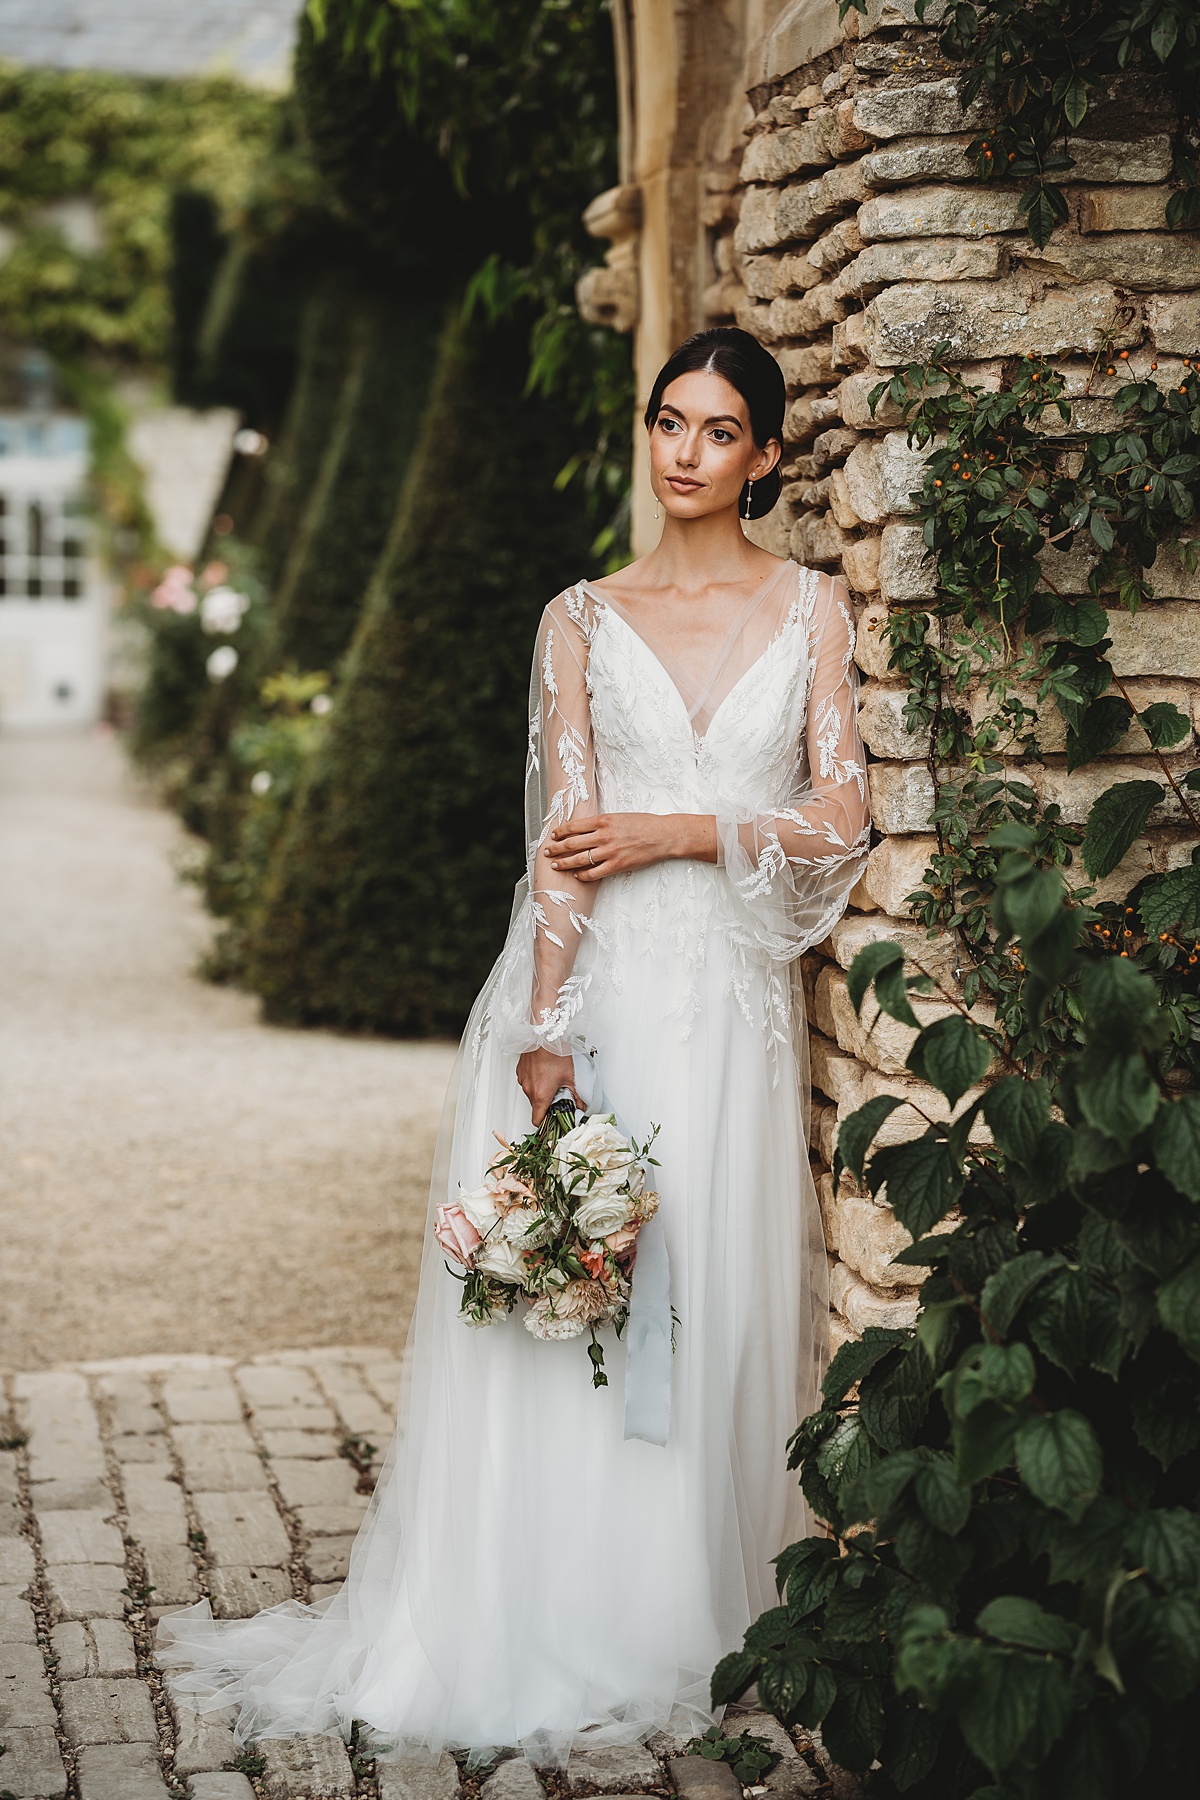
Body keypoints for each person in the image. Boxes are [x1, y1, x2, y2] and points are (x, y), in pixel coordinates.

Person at [157, 326, 871, 1766]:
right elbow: (560, 850)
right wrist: (545, 1031)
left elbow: (841, 821)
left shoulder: (816, 612)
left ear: (767, 457)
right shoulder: (577, 619)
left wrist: (684, 827)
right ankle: (559, 1612)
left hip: (727, 1008)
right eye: (668, 421)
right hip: (600, 997)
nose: (683, 451)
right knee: (580, 1314)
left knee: (708, 1298)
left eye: (719, 430)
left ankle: (690, 1621)